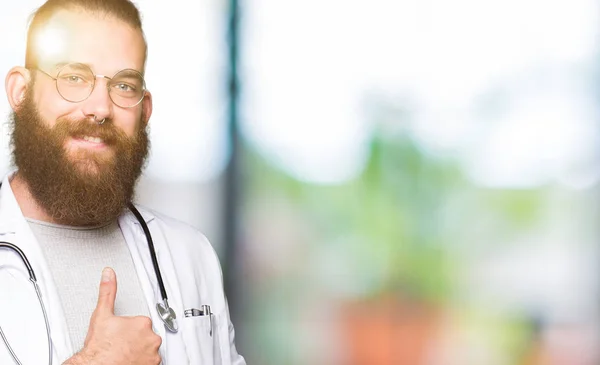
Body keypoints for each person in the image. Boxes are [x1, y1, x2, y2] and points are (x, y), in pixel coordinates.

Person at [0, 0, 246, 364]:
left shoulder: (190, 256)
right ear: (21, 92)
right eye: (73, 77)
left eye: (124, 86)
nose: (100, 107)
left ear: (144, 112)